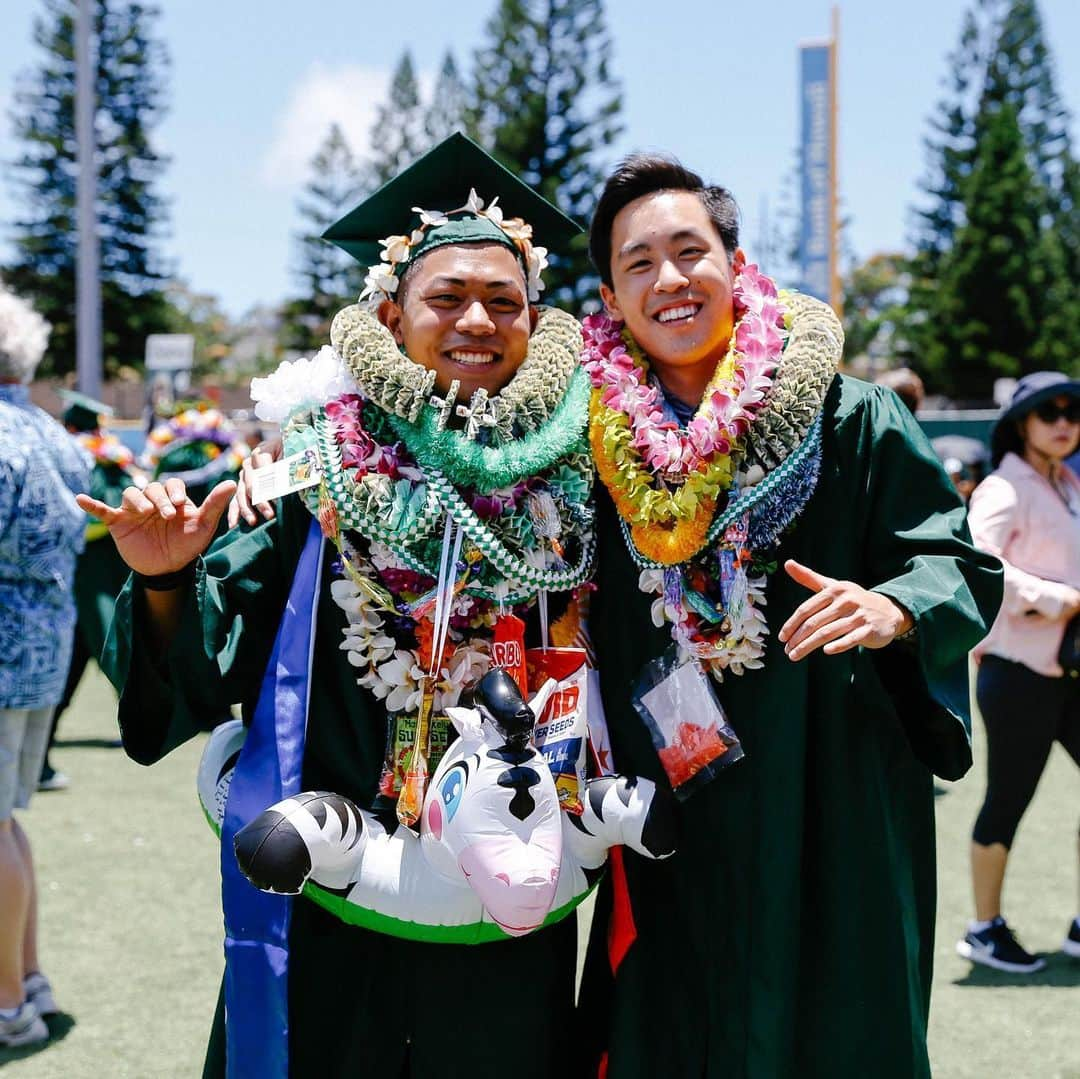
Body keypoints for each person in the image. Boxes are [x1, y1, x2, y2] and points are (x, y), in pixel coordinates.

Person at [81, 134, 595, 1079]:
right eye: (447, 298)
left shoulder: (572, 493)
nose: (477, 318)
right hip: (324, 900)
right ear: (391, 317)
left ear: (536, 322)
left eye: (504, 301)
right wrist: (161, 581)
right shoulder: (308, 481)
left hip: (503, 909)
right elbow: (195, 679)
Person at [575, 155, 1003, 1077]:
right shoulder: (593, 449)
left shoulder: (852, 418)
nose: (669, 279)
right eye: (638, 263)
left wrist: (893, 605)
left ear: (736, 263)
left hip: (832, 788)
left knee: (839, 1024)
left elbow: (957, 563)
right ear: (610, 297)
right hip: (673, 805)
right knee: (672, 1023)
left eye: (690, 251)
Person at [958, 371, 1080, 972]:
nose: (1063, 422)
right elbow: (977, 563)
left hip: (1068, 671)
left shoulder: (1068, 482)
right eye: (1047, 412)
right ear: (1021, 424)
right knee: (1008, 798)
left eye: (1071, 412)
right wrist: (1060, 598)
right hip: (1017, 671)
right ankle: (984, 929)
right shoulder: (1004, 487)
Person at [0, 287, 89, 1047]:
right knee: (5, 820)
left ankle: (7, 1007)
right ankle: (25, 980)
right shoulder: (53, 434)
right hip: (42, 648)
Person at [37, 391, 145, 791]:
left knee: (77, 666)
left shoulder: (81, 459)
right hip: (102, 580)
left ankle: (39, 764)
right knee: (101, 655)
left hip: (83, 582)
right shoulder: (106, 460)